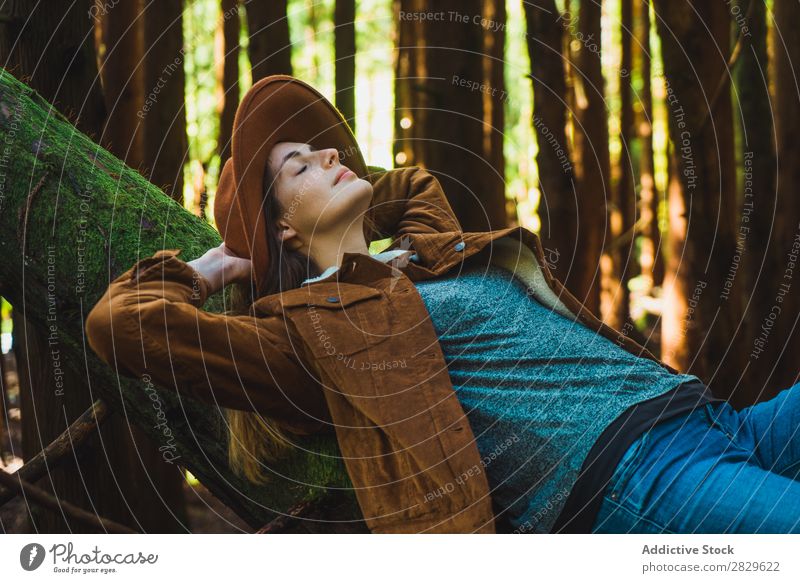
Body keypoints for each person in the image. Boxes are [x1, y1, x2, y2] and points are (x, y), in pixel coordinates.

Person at [85, 75, 800, 534]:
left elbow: (415, 183)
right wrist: (214, 265)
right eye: (300, 164)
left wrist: (339, 208)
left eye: (329, 152)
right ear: (279, 227)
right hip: (633, 483)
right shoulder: (311, 336)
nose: (332, 158)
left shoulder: (427, 256)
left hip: (710, 419)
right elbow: (119, 324)